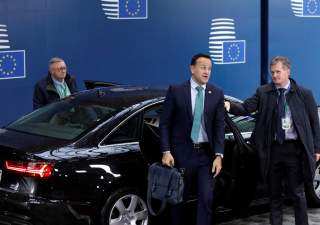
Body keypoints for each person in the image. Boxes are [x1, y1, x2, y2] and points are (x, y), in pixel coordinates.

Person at [225, 56, 320, 225]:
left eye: (278, 72)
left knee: (298, 194)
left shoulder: (304, 93)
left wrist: (317, 149)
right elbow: (246, 107)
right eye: (272, 72)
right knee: (274, 195)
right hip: (273, 151)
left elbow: (314, 123)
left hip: (295, 150)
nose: (274, 75)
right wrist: (230, 106)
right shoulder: (264, 92)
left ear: (288, 71)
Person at [159, 53, 224, 225]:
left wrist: (219, 155)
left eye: (209, 68)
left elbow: (219, 126)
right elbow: (164, 123)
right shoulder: (176, 91)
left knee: (206, 199)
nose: (207, 72)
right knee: (179, 201)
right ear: (192, 68)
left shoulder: (216, 93)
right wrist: (166, 151)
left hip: (206, 156)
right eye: (203, 67)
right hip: (182, 155)